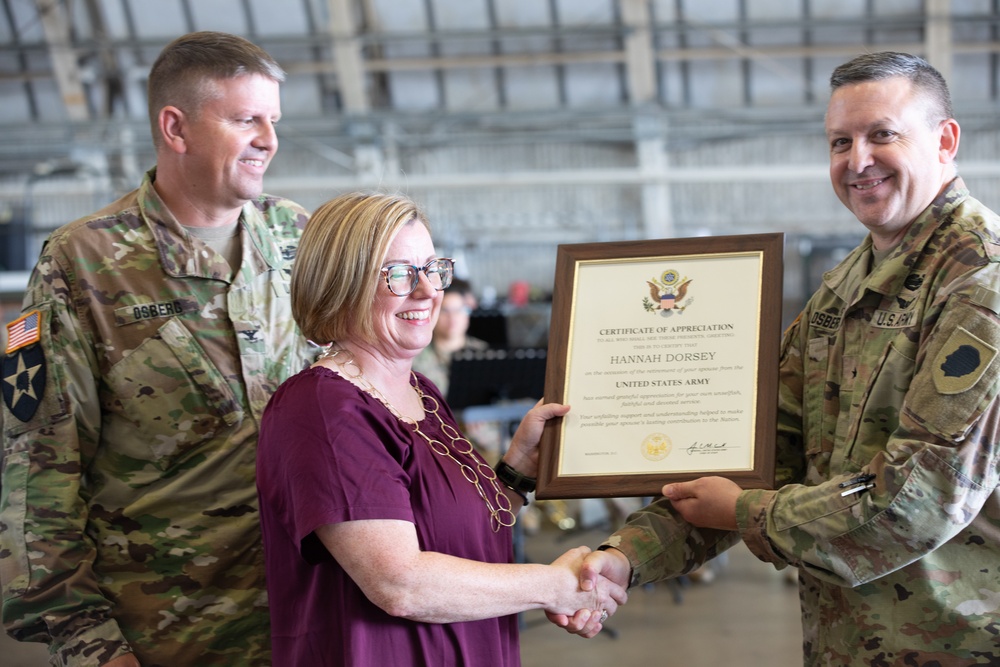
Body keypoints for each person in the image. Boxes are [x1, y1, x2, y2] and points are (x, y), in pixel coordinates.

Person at [553, 51, 1000, 665]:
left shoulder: (981, 286)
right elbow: (758, 455)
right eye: (840, 142)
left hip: (958, 644)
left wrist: (742, 511)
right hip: (846, 643)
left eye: (882, 135)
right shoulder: (841, 290)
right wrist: (625, 558)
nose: (858, 160)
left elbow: (917, 499)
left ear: (945, 140)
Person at [0, 32, 313, 667]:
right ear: (176, 127)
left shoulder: (298, 237)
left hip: (314, 617)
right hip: (169, 636)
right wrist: (89, 646)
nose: (269, 140)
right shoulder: (82, 263)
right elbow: (38, 476)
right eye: (245, 118)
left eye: (273, 120)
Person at [255, 192, 626, 665]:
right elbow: (400, 583)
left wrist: (516, 471)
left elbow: (450, 532)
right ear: (338, 285)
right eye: (399, 274)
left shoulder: (420, 391)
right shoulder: (324, 407)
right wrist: (556, 586)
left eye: (432, 269)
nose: (429, 291)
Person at [411, 278, 488, 397]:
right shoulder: (415, 358)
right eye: (445, 311)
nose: (452, 317)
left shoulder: (484, 353)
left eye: (459, 310)